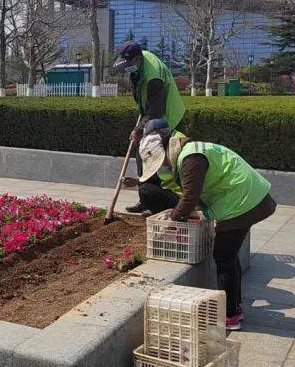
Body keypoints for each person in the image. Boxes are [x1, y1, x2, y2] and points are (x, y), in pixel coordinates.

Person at [136, 130, 276, 331]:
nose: (164, 166)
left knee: (223, 256)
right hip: (247, 198)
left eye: (161, 162)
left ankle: (230, 316)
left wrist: (172, 221)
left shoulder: (191, 158)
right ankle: (234, 309)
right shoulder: (190, 152)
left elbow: (189, 198)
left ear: (165, 151)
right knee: (228, 254)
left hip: (242, 201)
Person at [111, 41, 186, 214]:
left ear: (137, 59)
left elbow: (156, 111)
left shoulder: (153, 78)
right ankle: (145, 200)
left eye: (128, 64)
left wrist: (138, 129)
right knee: (142, 156)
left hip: (166, 117)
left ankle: (162, 203)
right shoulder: (140, 60)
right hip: (152, 114)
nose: (126, 68)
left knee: (157, 158)